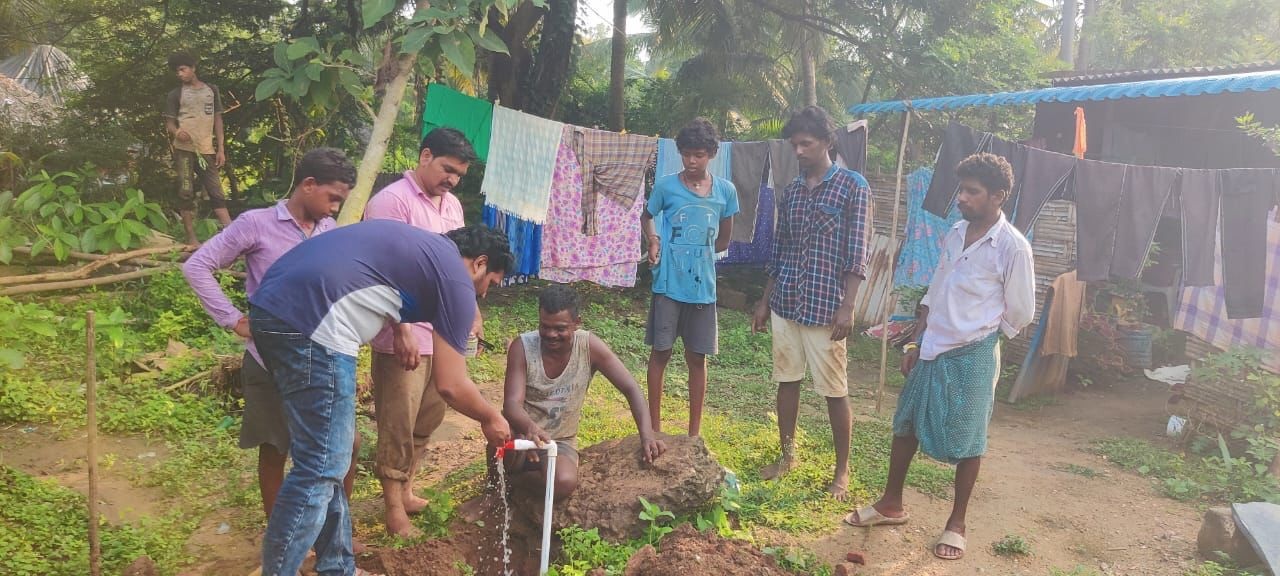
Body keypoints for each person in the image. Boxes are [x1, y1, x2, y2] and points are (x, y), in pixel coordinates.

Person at [249, 222, 514, 576]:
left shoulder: (426, 252)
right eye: (490, 283)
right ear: (480, 263)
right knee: (322, 465)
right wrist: (490, 417)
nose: (484, 294)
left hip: (273, 310)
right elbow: (451, 383)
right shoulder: (455, 276)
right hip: (313, 324)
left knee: (331, 455)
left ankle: (337, 567)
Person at [843, 153, 1035, 561]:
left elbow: (1021, 311)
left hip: (974, 352)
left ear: (998, 196)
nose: (961, 197)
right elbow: (936, 288)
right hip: (931, 345)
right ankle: (891, 503)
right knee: (905, 424)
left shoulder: (1012, 247)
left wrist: (981, 334)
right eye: (961, 189)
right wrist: (916, 340)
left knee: (969, 437)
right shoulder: (955, 232)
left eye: (972, 191)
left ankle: (957, 523)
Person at [181, 148, 364, 551]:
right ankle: (284, 544)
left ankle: (332, 539)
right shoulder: (257, 224)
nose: (335, 207)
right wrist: (233, 319)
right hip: (271, 361)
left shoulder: (329, 231)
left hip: (322, 358)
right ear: (308, 184)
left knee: (346, 446)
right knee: (276, 447)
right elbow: (197, 266)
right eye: (332, 197)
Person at [362, 127, 484, 538]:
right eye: (448, 169)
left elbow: (459, 266)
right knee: (397, 421)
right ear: (425, 156)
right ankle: (393, 509)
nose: (452, 180)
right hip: (403, 334)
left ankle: (408, 490)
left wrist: (472, 310)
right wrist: (401, 329)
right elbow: (382, 270)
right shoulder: (391, 202)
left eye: (459, 175)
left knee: (427, 418)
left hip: (442, 332)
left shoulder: (452, 207)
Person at [750, 106, 871, 500]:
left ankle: (842, 471)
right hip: (786, 300)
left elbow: (857, 253)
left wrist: (848, 306)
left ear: (827, 142)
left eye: (806, 144)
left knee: (835, 390)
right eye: (794, 145)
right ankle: (787, 457)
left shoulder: (853, 187)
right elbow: (780, 249)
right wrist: (765, 301)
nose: (799, 151)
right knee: (787, 380)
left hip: (826, 308)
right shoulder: (792, 191)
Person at [501, 285, 666, 501]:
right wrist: (530, 428)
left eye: (560, 328)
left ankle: (514, 483)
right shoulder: (522, 347)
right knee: (502, 436)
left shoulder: (589, 347)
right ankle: (497, 486)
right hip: (522, 432)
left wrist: (647, 435)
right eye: (544, 326)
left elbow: (631, 389)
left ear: (577, 323)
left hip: (560, 440)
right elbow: (511, 405)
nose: (551, 334)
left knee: (563, 482)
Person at [642, 118, 738, 437]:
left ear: (711, 154)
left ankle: (693, 435)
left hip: (702, 289)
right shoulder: (666, 186)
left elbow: (723, 241)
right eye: (686, 154)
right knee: (661, 352)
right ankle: (654, 430)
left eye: (699, 154)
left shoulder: (725, 191)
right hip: (668, 285)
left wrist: (697, 254)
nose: (692, 161)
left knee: (697, 357)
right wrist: (654, 240)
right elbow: (647, 216)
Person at [163, 52, 231, 245]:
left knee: (216, 192)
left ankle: (233, 234)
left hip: (206, 149)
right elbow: (169, 124)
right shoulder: (175, 94)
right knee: (185, 191)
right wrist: (177, 132)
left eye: (183, 69)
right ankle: (191, 239)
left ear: (193, 68)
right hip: (184, 151)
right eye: (177, 71)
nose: (180, 74)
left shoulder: (211, 90)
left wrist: (221, 149)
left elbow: (218, 119)